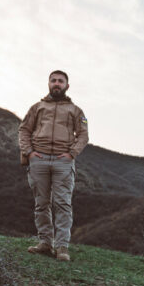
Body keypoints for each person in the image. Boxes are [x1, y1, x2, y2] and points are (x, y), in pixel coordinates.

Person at [18, 70, 89, 261]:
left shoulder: (76, 111)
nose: (57, 83)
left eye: (60, 81)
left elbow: (83, 135)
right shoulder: (37, 108)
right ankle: (45, 243)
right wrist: (29, 152)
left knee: (62, 204)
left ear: (67, 86)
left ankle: (62, 247)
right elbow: (24, 130)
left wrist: (72, 153)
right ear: (48, 83)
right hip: (38, 160)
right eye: (53, 80)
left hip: (63, 161)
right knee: (41, 203)